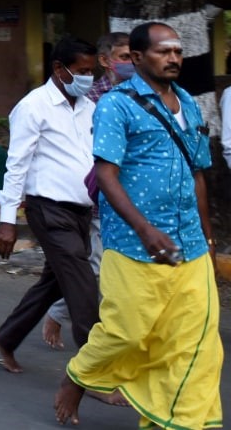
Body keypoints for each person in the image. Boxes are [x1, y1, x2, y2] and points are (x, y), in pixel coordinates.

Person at [55, 21, 222, 428]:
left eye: (177, 51)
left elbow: (198, 173)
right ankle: (78, 377)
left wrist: (208, 236)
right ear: (137, 57)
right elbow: (106, 173)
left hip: (190, 244)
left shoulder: (190, 104)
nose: (173, 58)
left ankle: (180, 421)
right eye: (163, 51)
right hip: (133, 243)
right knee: (126, 333)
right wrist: (145, 229)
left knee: (196, 344)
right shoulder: (117, 105)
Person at [0, 37, 99, 374]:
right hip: (49, 210)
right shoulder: (33, 106)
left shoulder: (90, 107)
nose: (88, 78)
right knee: (82, 285)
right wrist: (7, 220)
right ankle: (96, 370)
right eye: (82, 71)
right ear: (59, 69)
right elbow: (16, 165)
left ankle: (7, 337)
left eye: (91, 72)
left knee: (55, 281)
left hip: (82, 211)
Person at [85, 32, 131, 103]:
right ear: (104, 60)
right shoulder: (90, 95)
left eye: (135, 56)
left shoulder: (145, 88)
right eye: (125, 57)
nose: (132, 61)